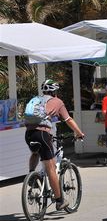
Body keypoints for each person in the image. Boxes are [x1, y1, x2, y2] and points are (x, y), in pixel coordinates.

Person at [24, 79, 85, 211]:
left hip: (29, 134)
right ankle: (59, 201)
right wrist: (79, 133)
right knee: (50, 166)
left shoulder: (36, 99)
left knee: (35, 152)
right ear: (55, 91)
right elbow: (68, 119)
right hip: (42, 134)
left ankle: (32, 177)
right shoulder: (58, 102)